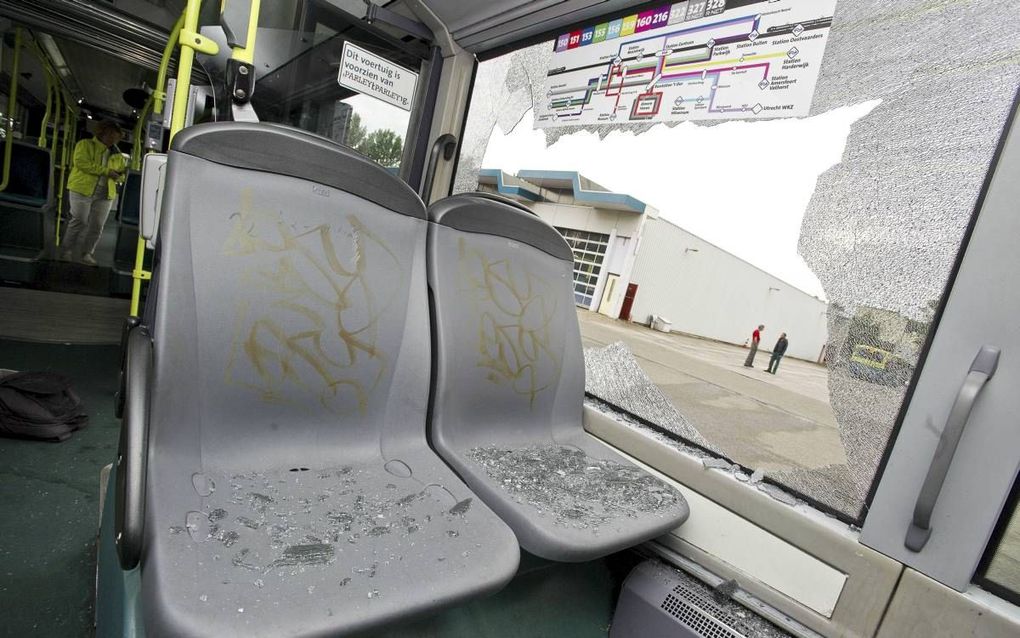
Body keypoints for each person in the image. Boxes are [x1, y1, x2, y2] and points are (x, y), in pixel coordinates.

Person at [59, 120, 127, 265]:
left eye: (116, 138)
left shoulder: (117, 154)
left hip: (105, 193)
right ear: (102, 133)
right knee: (79, 220)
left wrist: (118, 175)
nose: (113, 140)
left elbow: (121, 173)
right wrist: (106, 171)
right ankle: (66, 250)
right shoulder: (85, 145)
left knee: (97, 225)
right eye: (111, 136)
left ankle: (87, 253)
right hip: (81, 189)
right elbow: (81, 163)